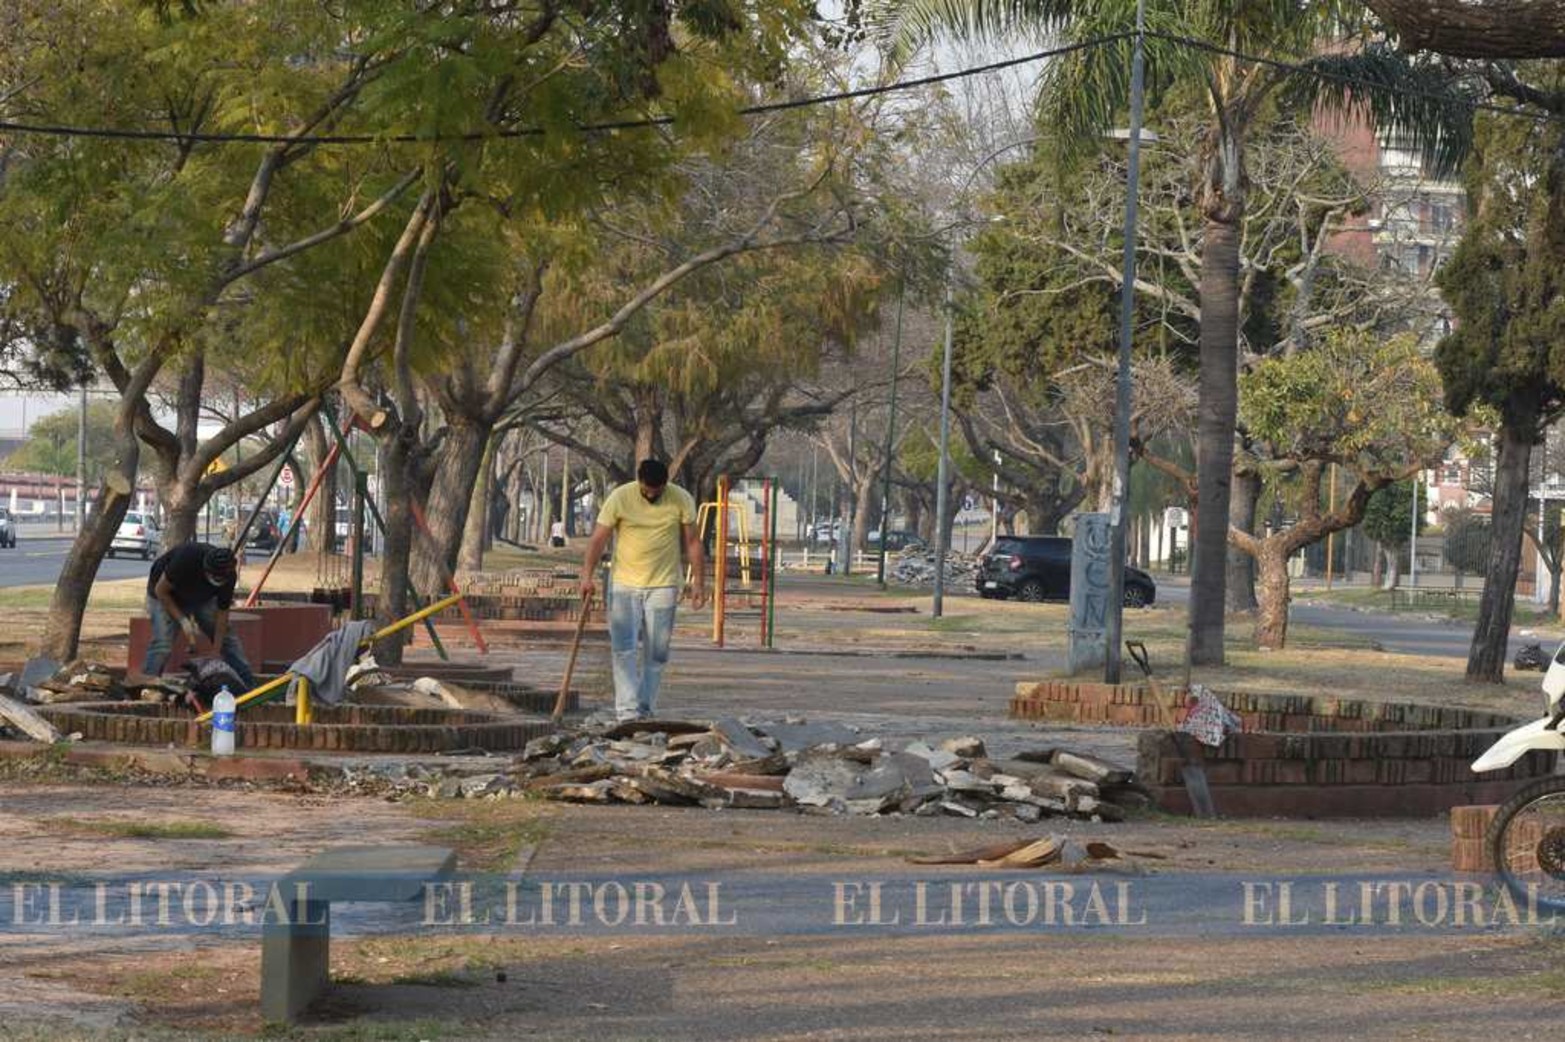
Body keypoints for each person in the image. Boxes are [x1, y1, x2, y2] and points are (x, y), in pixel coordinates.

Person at [580, 460, 707, 721]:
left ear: (665, 484)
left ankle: (645, 708)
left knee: (657, 652)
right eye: (646, 490)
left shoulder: (680, 499)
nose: (651, 495)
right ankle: (627, 711)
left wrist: (699, 583)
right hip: (625, 585)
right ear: (639, 481)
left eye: (656, 491)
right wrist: (586, 576)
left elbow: (693, 542)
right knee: (623, 648)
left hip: (664, 585)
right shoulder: (620, 497)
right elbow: (598, 539)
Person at [142, 542, 257, 690]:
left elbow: (222, 615)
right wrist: (183, 620)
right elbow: (161, 590)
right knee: (163, 642)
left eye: (221, 579)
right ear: (206, 569)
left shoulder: (229, 576)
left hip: (202, 598)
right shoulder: (186, 559)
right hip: (165, 594)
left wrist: (216, 650)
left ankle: (248, 684)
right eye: (214, 577)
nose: (218, 581)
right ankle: (147, 685)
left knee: (227, 639)